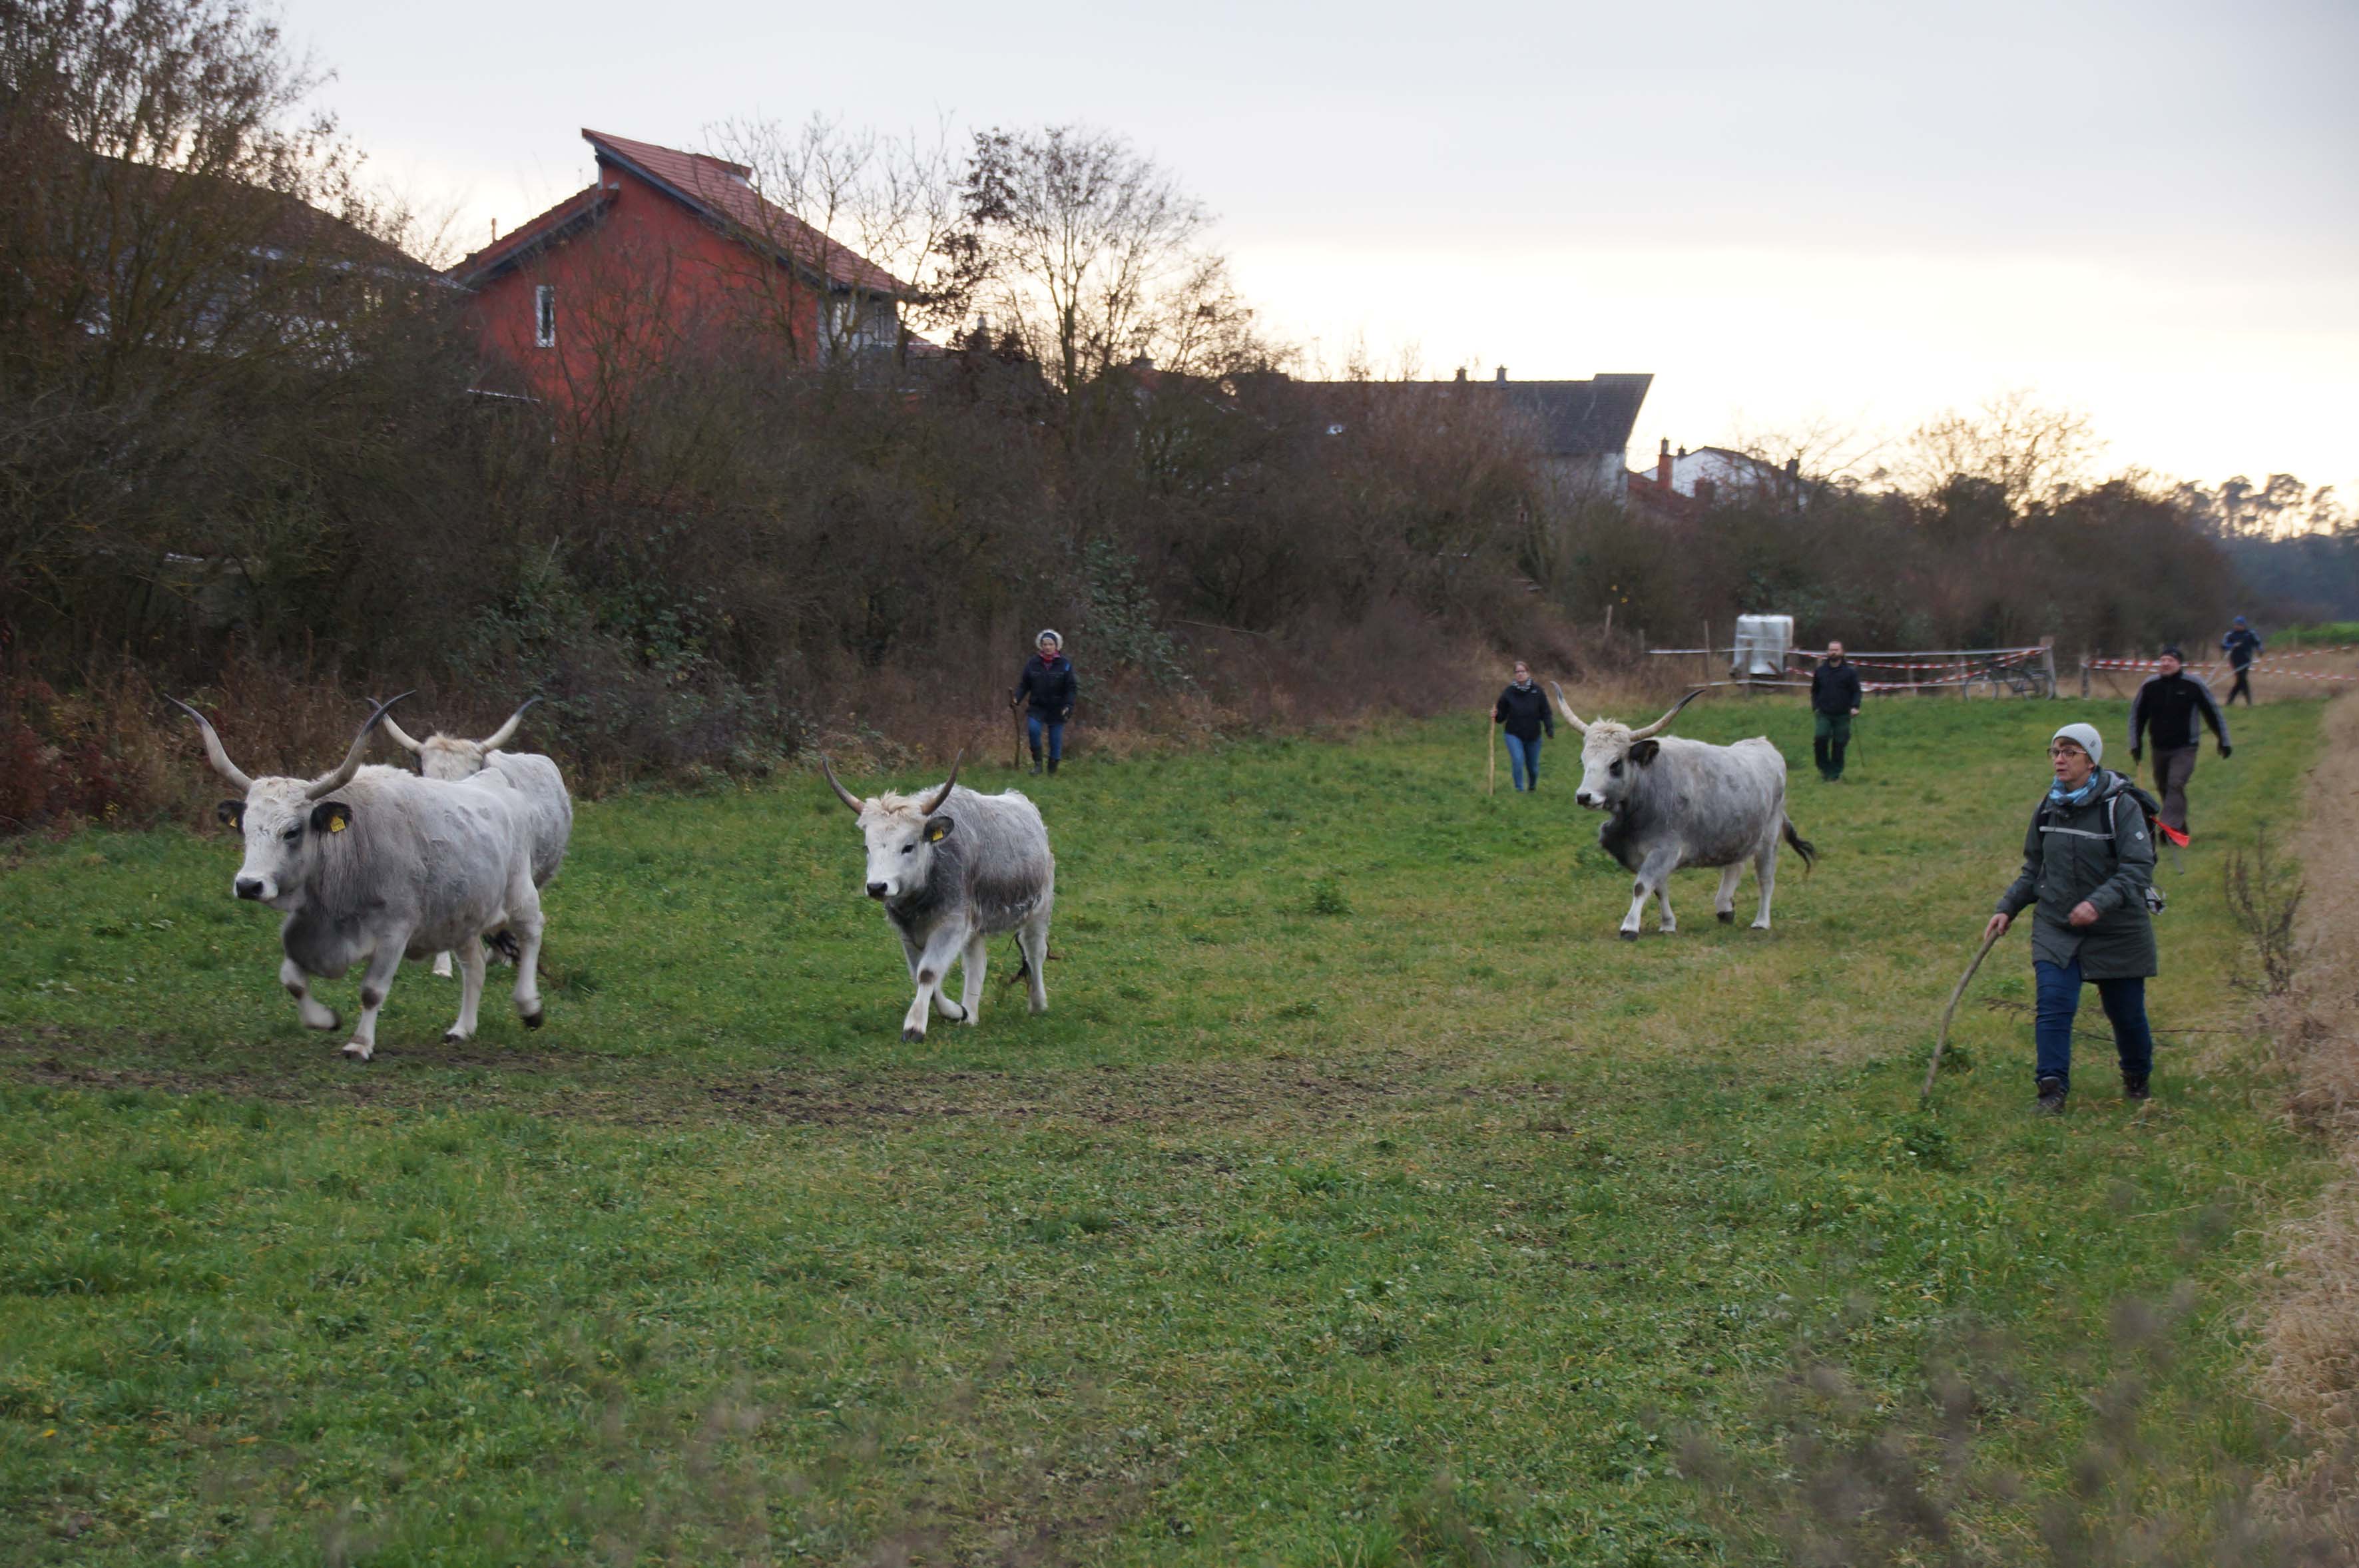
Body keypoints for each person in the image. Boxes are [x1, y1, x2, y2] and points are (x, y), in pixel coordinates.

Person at [1984, 722, 2159, 1113]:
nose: (2060, 759)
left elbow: (2137, 868)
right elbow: (2034, 868)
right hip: (2057, 925)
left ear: (2091, 759)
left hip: (2118, 929)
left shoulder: (2121, 806)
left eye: (2070, 751)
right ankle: (2051, 1091)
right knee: (2053, 1005)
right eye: (2055, 751)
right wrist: (2006, 907)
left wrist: (2098, 904)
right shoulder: (2049, 805)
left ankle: (2137, 1077)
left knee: (2126, 1014)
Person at [2127, 646, 2230, 836]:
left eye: (2170, 660)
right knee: (2164, 787)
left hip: (2185, 748)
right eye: (2163, 660)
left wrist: (2223, 739)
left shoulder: (2193, 685)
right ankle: (2179, 830)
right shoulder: (2150, 686)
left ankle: (2168, 829)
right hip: (2158, 747)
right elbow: (2137, 716)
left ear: (2179, 664)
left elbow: (2212, 712)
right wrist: (2135, 743)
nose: (2166, 664)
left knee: (2176, 783)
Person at [1011, 630, 1077, 774]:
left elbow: (1071, 688)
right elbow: (1024, 684)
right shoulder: (1032, 664)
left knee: (1055, 740)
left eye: (1051, 644)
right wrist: (1017, 698)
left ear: (1057, 646)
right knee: (1033, 731)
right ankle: (1038, 765)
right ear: (1041, 646)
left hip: (1058, 708)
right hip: (1037, 706)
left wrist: (1068, 705)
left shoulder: (1065, 665)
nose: (1048, 647)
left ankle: (1052, 770)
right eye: (1045, 644)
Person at [1492, 660, 1554, 791]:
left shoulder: (1537, 691)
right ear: (1515, 675)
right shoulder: (1508, 693)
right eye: (1517, 672)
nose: (1520, 674)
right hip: (1513, 734)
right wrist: (1496, 715)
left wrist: (1549, 728)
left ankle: (1532, 787)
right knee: (1518, 761)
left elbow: (1546, 712)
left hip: (1534, 736)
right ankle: (1519, 790)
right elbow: (1501, 717)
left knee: (1533, 768)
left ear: (1528, 673)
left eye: (1523, 672)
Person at [1809, 641, 1864, 781]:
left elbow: (1856, 691)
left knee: (1840, 744)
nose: (1833, 652)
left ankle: (1835, 773)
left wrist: (1855, 707)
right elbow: (1815, 690)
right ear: (1827, 652)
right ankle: (1824, 768)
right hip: (1824, 713)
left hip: (1843, 714)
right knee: (1820, 739)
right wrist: (1815, 706)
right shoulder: (1820, 671)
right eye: (1831, 650)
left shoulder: (1850, 672)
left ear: (1842, 652)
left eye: (1836, 650)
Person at [2220, 615, 2263, 706]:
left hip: (2246, 659)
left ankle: (2230, 701)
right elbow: (2223, 645)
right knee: (2242, 679)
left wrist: (2260, 650)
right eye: (2236, 625)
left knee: (2241, 679)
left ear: (2244, 625)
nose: (2238, 626)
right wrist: (2232, 646)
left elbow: (2258, 643)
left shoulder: (2250, 634)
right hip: (2235, 660)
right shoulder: (2230, 634)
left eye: (2240, 625)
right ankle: (2248, 702)